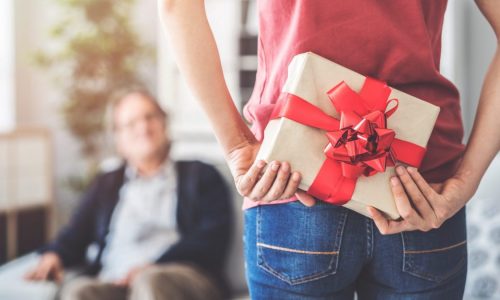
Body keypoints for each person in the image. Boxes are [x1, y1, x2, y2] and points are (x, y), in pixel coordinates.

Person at [159, 0, 500, 299]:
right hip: (421, 185)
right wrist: (467, 178)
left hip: (290, 171)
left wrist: (235, 145)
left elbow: (177, 5)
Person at [24, 87, 232, 300]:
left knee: (150, 280)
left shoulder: (201, 175)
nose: (143, 127)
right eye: (131, 123)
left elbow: (211, 239)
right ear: (118, 139)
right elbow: (76, 232)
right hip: (116, 282)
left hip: (180, 280)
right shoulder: (105, 183)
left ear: (164, 123)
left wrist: (151, 266)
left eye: (150, 117)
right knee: (79, 291)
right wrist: (55, 255)